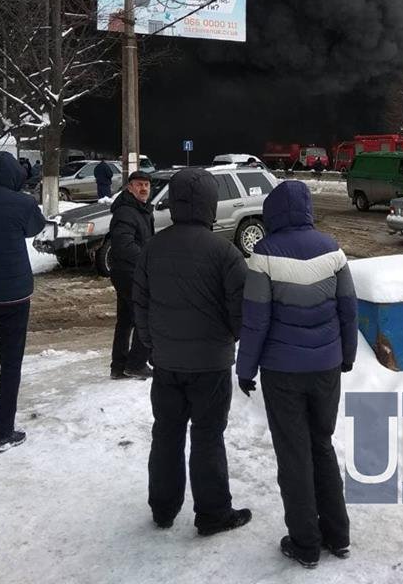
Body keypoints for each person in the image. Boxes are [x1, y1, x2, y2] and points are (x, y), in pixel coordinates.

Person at [236, 179, 358, 569]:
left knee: (294, 455)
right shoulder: (333, 250)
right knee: (321, 445)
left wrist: (245, 368)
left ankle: (305, 543)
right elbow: (349, 310)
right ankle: (338, 535)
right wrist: (347, 355)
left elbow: (255, 321)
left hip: (282, 372)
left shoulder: (263, 255)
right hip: (326, 368)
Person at [133, 167, 251, 536]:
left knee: (166, 432)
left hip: (167, 362)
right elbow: (240, 314)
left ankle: (163, 508)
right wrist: (226, 341)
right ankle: (213, 513)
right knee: (207, 435)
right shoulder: (226, 254)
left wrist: (153, 345)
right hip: (211, 366)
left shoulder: (153, 248)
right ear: (210, 204)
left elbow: (141, 304)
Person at [0, 152, 46, 452]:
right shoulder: (22, 202)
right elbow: (35, 228)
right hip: (14, 296)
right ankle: (3, 433)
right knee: (10, 364)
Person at [109, 171, 154, 380]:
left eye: (146, 185)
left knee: (126, 319)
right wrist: (146, 261)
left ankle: (118, 366)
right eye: (139, 185)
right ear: (129, 187)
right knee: (146, 316)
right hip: (128, 272)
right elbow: (123, 245)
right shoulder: (126, 212)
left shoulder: (141, 209)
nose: (143, 188)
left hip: (127, 271)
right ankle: (136, 364)